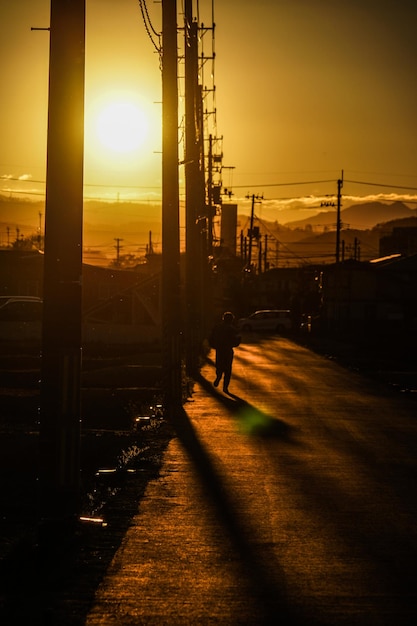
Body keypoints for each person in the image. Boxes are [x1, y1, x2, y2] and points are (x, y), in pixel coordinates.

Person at [209, 311, 241, 394]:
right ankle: (225, 387)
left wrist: (213, 345)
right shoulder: (232, 329)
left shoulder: (217, 327)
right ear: (231, 320)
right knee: (228, 369)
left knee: (219, 365)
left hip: (219, 349)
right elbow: (237, 339)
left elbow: (211, 336)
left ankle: (218, 376)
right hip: (228, 350)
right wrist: (235, 344)